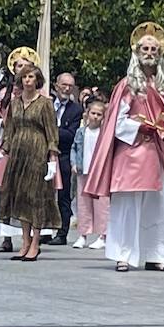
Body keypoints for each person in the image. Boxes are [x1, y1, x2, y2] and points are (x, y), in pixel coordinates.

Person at [84, 23, 164, 273]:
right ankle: (123, 254)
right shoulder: (126, 85)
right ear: (137, 52)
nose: (150, 52)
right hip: (132, 154)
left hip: (157, 154)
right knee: (127, 207)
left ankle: (157, 255)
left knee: (158, 206)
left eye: (154, 48)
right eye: (145, 48)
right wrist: (140, 128)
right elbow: (116, 122)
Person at [0, 65, 60, 261]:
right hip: (18, 152)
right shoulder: (15, 103)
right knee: (20, 195)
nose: (27, 80)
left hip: (37, 151)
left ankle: (35, 242)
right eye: (24, 77)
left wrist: (52, 157)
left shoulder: (44, 103)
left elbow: (51, 130)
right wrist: (2, 152)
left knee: (36, 196)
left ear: (37, 80)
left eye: (31, 77)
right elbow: (9, 129)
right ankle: (24, 241)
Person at [71, 97, 109, 249]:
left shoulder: (104, 133)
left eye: (99, 114)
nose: (95, 117)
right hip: (83, 171)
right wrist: (74, 163)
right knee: (83, 204)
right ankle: (83, 234)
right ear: (87, 113)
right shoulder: (81, 132)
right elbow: (74, 148)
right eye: (93, 113)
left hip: (99, 174)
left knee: (101, 205)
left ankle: (103, 235)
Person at [51, 72, 83, 244]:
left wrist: (51, 130)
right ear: (56, 85)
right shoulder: (47, 104)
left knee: (63, 194)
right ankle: (44, 230)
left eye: (70, 86)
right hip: (44, 154)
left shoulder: (76, 109)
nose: (66, 88)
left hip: (63, 154)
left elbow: (71, 134)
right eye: (64, 85)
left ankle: (62, 232)